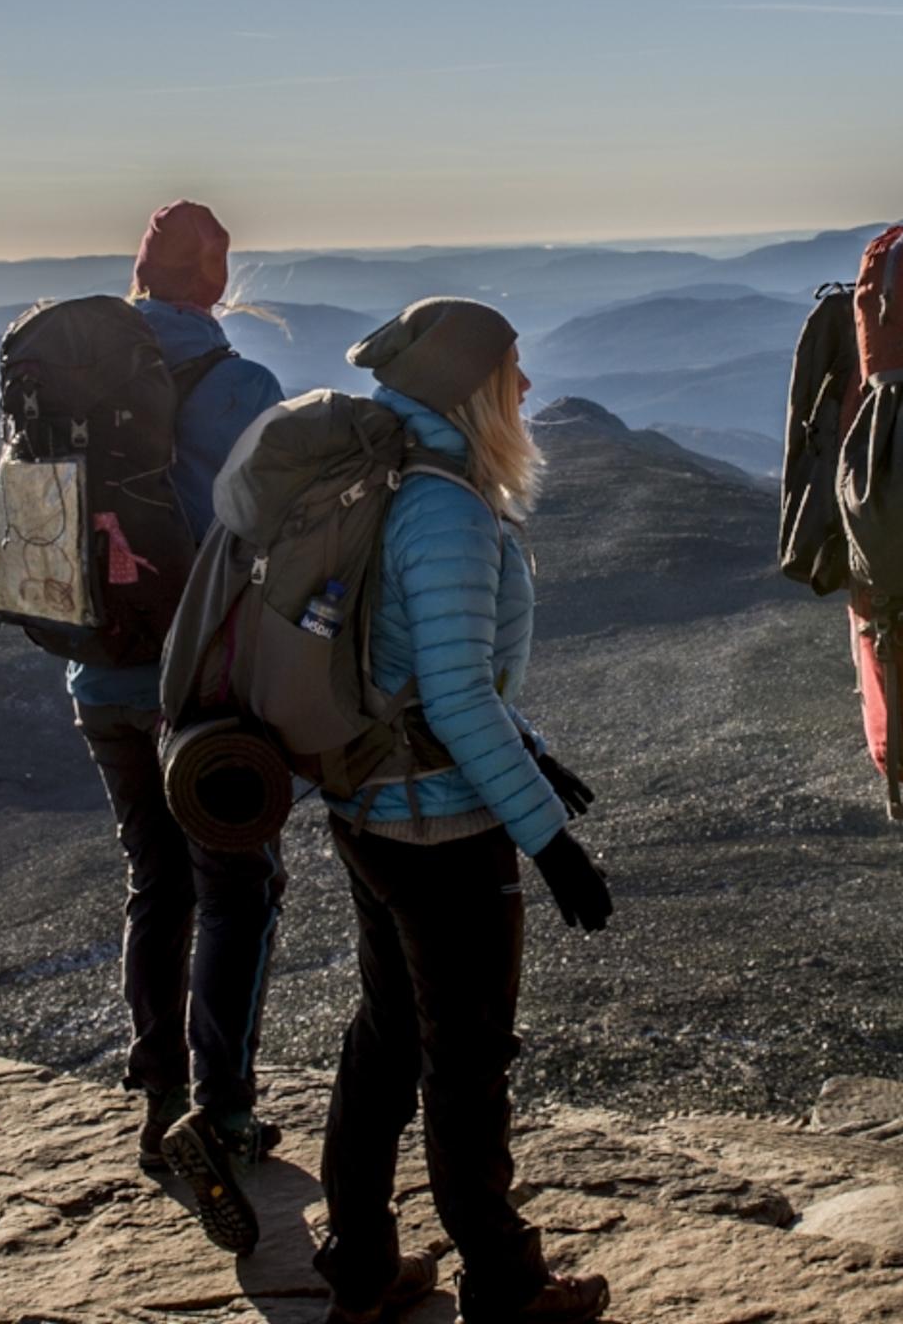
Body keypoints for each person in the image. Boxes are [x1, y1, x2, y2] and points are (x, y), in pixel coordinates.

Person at [311, 297, 614, 1324]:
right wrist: (550, 842)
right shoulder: (444, 508)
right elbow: (454, 695)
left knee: (388, 1035)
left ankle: (357, 1270)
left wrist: (531, 752)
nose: (527, 387)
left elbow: (414, 673)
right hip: (438, 827)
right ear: (473, 388)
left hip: (368, 807)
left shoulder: (388, 473)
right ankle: (507, 1284)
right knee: (467, 1061)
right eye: (513, 369)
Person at [69, 201, 288, 1246]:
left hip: (99, 675)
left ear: (137, 275)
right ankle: (226, 1109)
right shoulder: (241, 386)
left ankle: (159, 1098)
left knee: (154, 880)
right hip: (206, 684)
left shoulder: (70, 381)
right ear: (217, 278)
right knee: (238, 887)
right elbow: (280, 529)